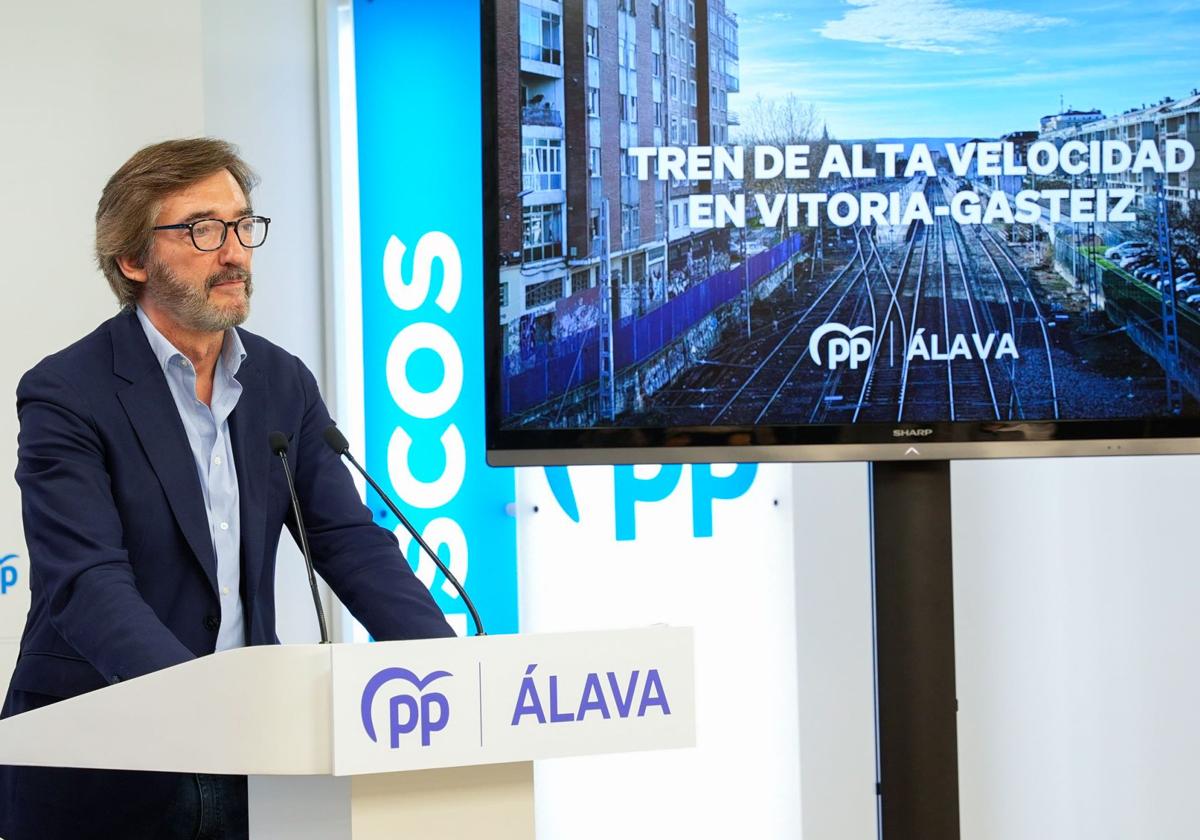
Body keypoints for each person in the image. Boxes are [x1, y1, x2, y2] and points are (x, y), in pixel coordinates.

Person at [0, 138, 455, 840]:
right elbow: (85, 582)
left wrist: (448, 667)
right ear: (131, 259)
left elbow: (346, 540)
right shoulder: (67, 392)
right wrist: (203, 707)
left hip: (251, 760)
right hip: (101, 755)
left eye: (243, 225)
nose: (235, 252)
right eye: (202, 230)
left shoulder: (281, 381)